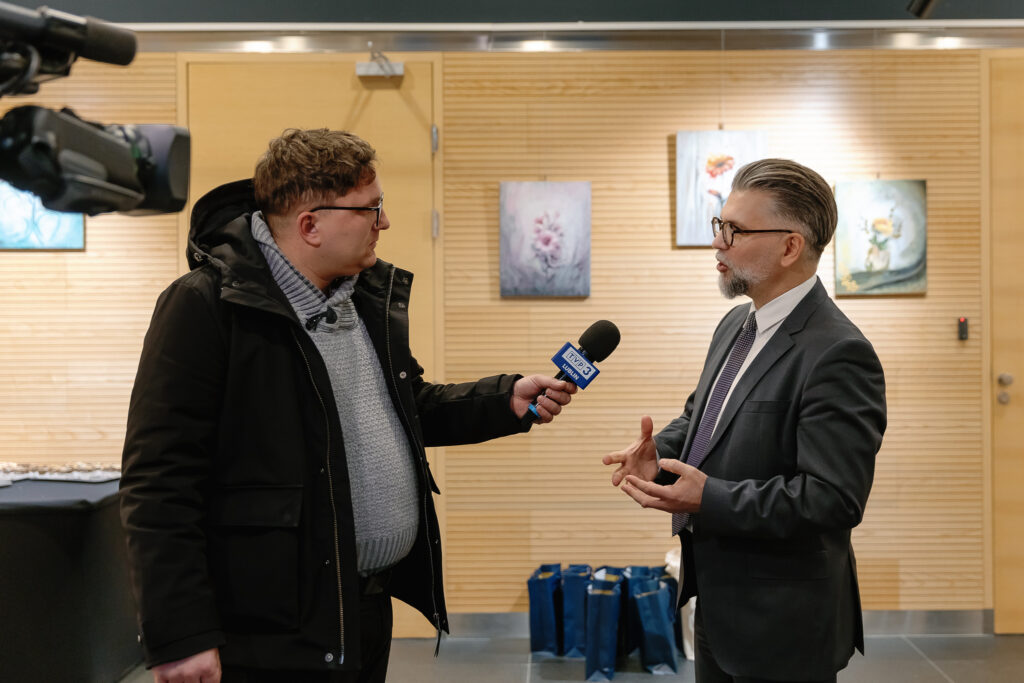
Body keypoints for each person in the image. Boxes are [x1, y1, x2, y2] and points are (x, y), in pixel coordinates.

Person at [120, 128, 577, 683]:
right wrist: (181, 632)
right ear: (310, 225)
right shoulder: (204, 305)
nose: (385, 223)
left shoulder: (358, 298)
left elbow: (406, 408)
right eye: (370, 209)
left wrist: (503, 399)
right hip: (268, 629)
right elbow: (159, 481)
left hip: (364, 609)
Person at [603, 158, 886, 683]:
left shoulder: (839, 353)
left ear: (790, 247)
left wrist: (709, 498)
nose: (718, 242)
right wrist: (660, 453)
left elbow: (833, 498)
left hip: (783, 621)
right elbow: (704, 416)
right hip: (717, 601)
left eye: (734, 230)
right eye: (720, 225)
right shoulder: (737, 322)